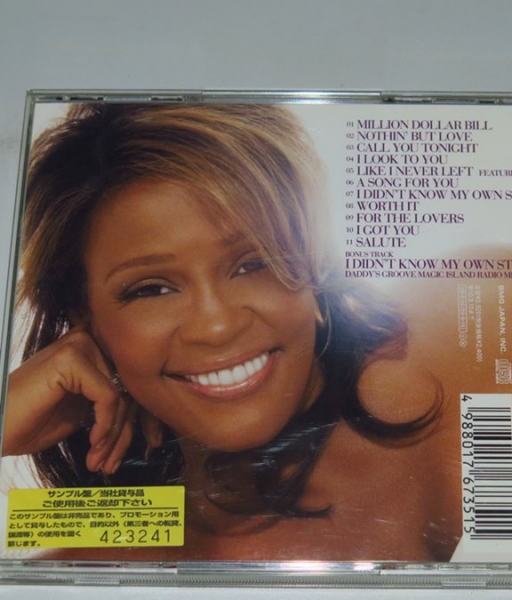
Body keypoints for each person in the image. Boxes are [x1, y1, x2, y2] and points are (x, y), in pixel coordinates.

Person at [2, 103, 464, 561]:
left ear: (314, 259)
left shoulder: (452, 339)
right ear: (85, 315)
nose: (216, 326)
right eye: (152, 289)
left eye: (254, 263)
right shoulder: (94, 555)